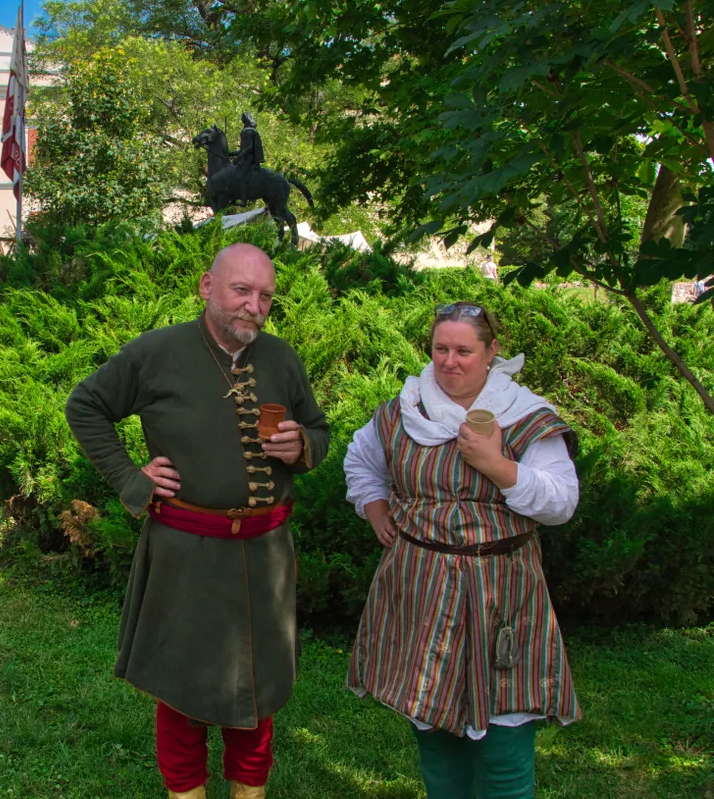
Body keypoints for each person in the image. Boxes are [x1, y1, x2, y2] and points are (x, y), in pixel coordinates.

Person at [65, 243, 331, 799]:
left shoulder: (282, 359)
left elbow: (320, 430)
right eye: (242, 291)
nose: (254, 306)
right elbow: (85, 406)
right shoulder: (157, 353)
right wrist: (130, 479)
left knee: (256, 693)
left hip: (266, 557)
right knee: (181, 690)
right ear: (208, 286)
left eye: (265, 296)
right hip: (187, 552)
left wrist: (302, 445)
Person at [343, 302, 581, 799]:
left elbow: (561, 503)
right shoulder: (406, 409)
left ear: (492, 353)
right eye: (440, 349)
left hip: (503, 595)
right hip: (419, 589)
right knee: (435, 741)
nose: (449, 361)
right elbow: (362, 461)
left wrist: (498, 465)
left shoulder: (524, 415)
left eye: (464, 351)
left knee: (504, 752)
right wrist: (377, 511)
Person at [231, 112, 264, 204]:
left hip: (249, 159)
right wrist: (230, 153)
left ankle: (244, 199)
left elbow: (248, 149)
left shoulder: (248, 131)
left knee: (241, 176)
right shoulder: (246, 131)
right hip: (245, 157)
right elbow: (242, 150)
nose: (242, 121)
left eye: (243, 119)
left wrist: (238, 157)